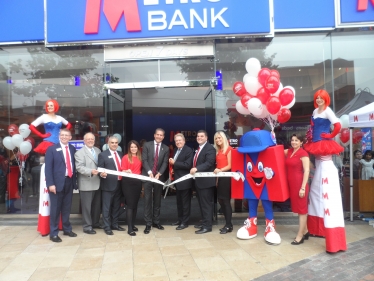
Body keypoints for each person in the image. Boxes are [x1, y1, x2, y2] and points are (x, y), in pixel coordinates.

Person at [303, 89, 346, 253]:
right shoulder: (315, 111)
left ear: (326, 99)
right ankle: (316, 228)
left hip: (325, 150)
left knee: (326, 195)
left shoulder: (328, 110)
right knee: (315, 193)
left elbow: (338, 125)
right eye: (317, 98)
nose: (319, 99)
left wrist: (330, 136)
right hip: (318, 155)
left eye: (321, 98)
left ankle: (333, 237)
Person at [45, 128, 77, 242]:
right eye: (62, 135)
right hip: (56, 184)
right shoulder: (51, 149)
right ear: (59, 136)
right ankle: (53, 233)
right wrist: (50, 184)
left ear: (70, 137)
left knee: (67, 207)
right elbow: (48, 169)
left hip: (69, 181)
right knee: (55, 209)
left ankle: (67, 229)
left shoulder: (72, 149)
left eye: (66, 135)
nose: (64, 137)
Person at [141, 128, 169, 234]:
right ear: (154, 135)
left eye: (161, 135)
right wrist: (149, 172)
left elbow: (165, 163)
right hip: (148, 176)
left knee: (157, 200)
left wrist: (159, 173)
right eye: (157, 134)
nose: (159, 136)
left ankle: (156, 222)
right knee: (147, 200)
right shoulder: (147, 145)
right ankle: (148, 224)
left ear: (163, 137)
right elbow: (144, 160)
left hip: (158, 177)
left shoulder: (165, 148)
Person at [284, 134, 310, 245]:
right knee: (298, 210)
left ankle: (300, 236)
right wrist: (272, 136)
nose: (294, 142)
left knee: (302, 211)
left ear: (301, 142)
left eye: (296, 140)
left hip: (300, 185)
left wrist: (303, 188)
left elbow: (307, 171)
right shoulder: (289, 151)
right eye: (292, 140)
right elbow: (276, 150)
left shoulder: (303, 153)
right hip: (292, 185)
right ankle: (306, 231)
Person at [74, 132, 102, 234]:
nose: (90, 141)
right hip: (86, 183)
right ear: (84, 141)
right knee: (87, 207)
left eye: (92, 139)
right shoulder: (79, 153)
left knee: (96, 206)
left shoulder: (98, 150)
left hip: (97, 182)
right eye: (88, 139)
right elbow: (79, 167)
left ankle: (95, 223)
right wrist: (90, 171)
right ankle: (87, 226)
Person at [190, 130, 216, 234]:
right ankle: (204, 221)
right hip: (199, 182)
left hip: (206, 182)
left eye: (201, 136)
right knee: (201, 204)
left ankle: (207, 226)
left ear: (206, 138)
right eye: (198, 136)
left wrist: (196, 168)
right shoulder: (199, 148)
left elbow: (209, 163)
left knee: (206, 204)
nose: (199, 138)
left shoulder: (210, 148)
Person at [98, 135, 124, 235]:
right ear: (108, 144)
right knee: (106, 207)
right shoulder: (102, 155)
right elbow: (100, 169)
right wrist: (102, 174)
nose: (114, 144)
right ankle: (107, 226)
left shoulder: (121, 154)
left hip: (119, 184)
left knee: (116, 206)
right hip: (108, 185)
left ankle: (115, 224)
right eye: (112, 142)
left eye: (116, 143)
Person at [169, 133, 193, 230]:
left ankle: (185, 222)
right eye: (176, 141)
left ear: (184, 141)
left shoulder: (188, 150)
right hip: (178, 181)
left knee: (185, 203)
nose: (178, 142)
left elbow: (187, 165)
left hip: (185, 181)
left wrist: (175, 163)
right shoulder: (175, 150)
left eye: (180, 140)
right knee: (179, 202)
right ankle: (180, 219)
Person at [213, 131, 233, 234]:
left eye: (220, 138)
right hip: (220, 178)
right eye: (216, 138)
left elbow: (230, 165)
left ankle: (228, 225)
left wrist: (220, 170)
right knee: (221, 201)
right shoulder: (218, 151)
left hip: (226, 178)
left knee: (225, 201)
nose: (218, 140)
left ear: (224, 138)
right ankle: (228, 224)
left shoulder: (229, 149)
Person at [121, 140, 143, 236]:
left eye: (135, 147)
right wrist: (126, 171)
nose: (133, 148)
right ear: (129, 148)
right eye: (131, 147)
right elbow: (122, 169)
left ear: (138, 148)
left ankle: (133, 224)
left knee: (135, 204)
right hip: (127, 182)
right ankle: (130, 228)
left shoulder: (140, 157)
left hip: (137, 182)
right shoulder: (125, 157)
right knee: (130, 205)